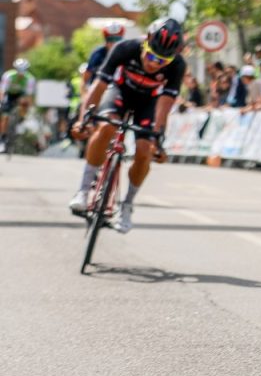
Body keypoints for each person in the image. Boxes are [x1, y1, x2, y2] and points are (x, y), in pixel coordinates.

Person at [68, 17, 186, 233]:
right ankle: (83, 191)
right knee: (106, 127)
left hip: (148, 102)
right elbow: (98, 87)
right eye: (151, 56)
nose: (153, 64)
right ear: (146, 42)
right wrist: (83, 120)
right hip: (120, 92)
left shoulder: (178, 65)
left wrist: (157, 140)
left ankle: (127, 204)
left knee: (144, 151)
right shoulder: (125, 48)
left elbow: (164, 105)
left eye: (162, 61)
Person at [0, 58, 36, 150]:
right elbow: (2, 91)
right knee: (5, 116)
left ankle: (21, 119)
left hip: (20, 95)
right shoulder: (8, 75)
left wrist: (29, 108)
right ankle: (3, 138)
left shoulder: (30, 79)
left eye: (23, 70)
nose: (21, 73)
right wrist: (1, 101)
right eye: (19, 70)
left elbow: (29, 96)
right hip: (9, 94)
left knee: (24, 103)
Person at [82, 22, 125, 89]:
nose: (114, 43)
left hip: (118, 90)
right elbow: (86, 77)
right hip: (99, 90)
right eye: (110, 39)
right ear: (105, 40)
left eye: (117, 39)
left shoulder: (126, 53)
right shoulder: (97, 54)